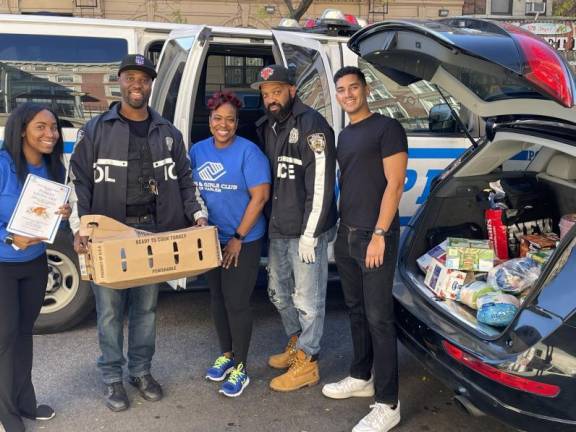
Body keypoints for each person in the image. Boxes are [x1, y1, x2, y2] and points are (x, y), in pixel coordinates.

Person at [70, 54, 207, 412]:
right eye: (131, 77)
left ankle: (141, 372)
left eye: (144, 79)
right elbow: (79, 180)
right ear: (120, 81)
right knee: (110, 311)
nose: (137, 84)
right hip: (109, 234)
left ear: (150, 86)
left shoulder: (168, 132)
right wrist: (80, 227)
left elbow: (186, 181)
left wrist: (197, 215)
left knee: (146, 310)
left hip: (153, 233)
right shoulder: (96, 128)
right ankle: (112, 378)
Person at [322, 66, 408, 432]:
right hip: (348, 234)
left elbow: (395, 184)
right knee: (355, 310)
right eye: (341, 90)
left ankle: (389, 403)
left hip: (376, 237)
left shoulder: (387, 129)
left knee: (379, 318)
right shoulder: (345, 135)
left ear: (365, 89)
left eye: (352, 88)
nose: (347, 95)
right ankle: (362, 376)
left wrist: (378, 234)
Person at [252, 65, 337, 392]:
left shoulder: (311, 124)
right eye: (265, 92)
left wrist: (310, 233)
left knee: (308, 299)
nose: (271, 98)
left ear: (292, 90)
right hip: (279, 225)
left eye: (277, 91)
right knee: (278, 292)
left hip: (306, 229)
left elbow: (321, 183)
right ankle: (297, 342)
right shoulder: (267, 126)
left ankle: (308, 362)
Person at [189, 91, 271, 397]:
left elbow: (260, 197)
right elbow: (190, 190)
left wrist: (237, 238)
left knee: (236, 301)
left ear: (237, 124)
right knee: (217, 298)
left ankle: (241, 367)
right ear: (210, 121)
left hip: (244, 239)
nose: (224, 125)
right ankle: (226, 353)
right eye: (218, 119)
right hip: (210, 238)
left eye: (231, 120)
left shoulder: (250, 153)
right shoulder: (197, 151)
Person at [0, 103, 71, 432]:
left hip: (36, 263)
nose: (51, 134)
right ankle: (5, 412)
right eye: (41, 127)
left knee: (24, 334)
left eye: (54, 128)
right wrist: (9, 238)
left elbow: (50, 214)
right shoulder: (2, 165)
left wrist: (64, 214)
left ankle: (25, 401)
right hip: (3, 264)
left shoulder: (53, 168)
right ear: (22, 129)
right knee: (5, 336)